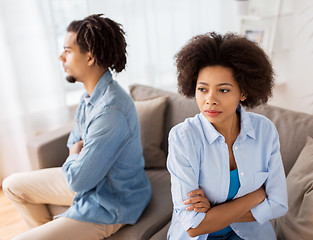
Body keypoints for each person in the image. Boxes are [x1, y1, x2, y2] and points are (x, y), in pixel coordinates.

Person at [2, 14, 151, 240]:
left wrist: (74, 156)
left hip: (111, 202)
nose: (61, 56)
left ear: (89, 57)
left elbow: (78, 180)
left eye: (68, 50)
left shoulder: (111, 111)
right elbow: (75, 140)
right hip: (91, 183)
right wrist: (77, 154)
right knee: (12, 185)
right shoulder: (90, 97)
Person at [167, 32, 288, 240]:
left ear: (243, 92)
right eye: (202, 89)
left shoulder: (265, 131)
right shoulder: (182, 138)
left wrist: (212, 211)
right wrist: (256, 196)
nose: (210, 100)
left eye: (223, 90)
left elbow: (278, 204)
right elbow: (193, 226)